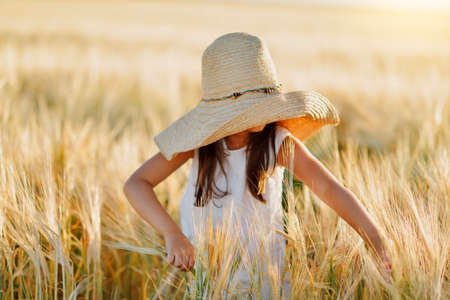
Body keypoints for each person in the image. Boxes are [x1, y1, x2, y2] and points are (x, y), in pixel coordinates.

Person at [123, 32, 392, 299]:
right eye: (254, 106)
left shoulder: (277, 143)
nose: (265, 110)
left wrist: (377, 241)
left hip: (265, 283)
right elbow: (136, 184)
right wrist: (172, 234)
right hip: (209, 283)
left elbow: (329, 188)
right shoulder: (200, 143)